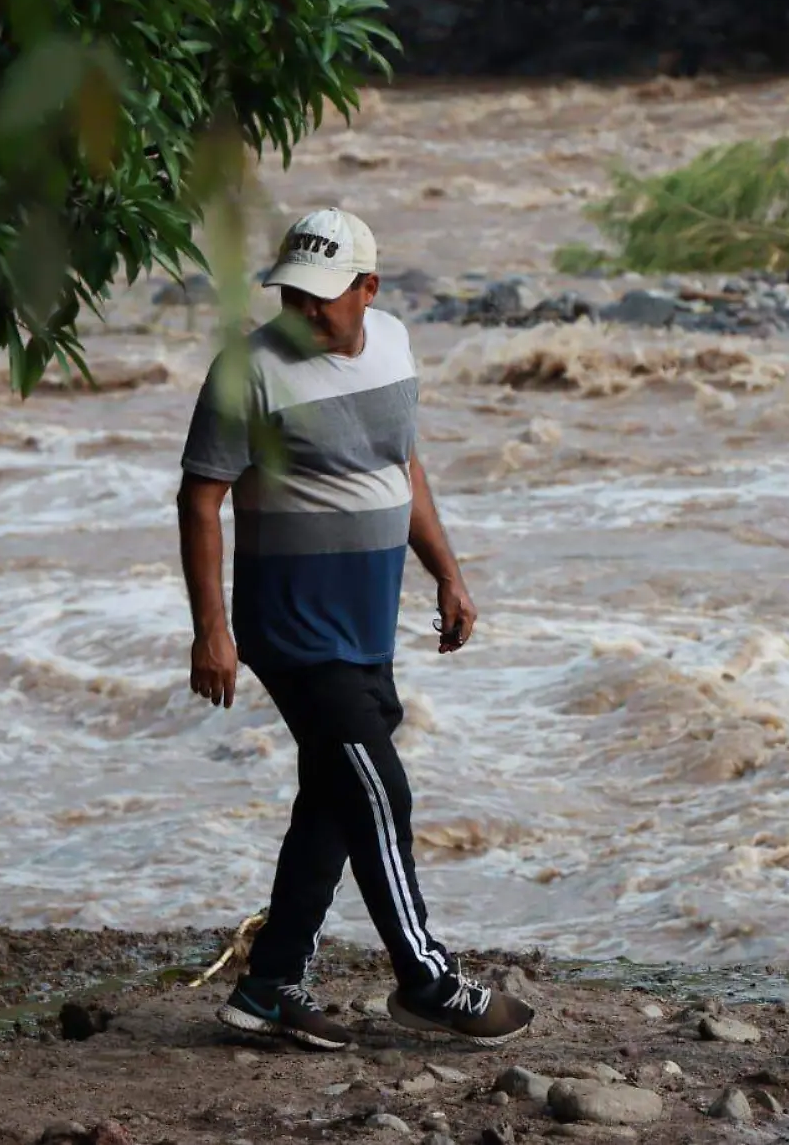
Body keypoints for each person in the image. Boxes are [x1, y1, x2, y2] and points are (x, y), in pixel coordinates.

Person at [176, 207, 535, 1051]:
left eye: (321, 300)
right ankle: (426, 981)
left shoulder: (397, 345)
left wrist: (447, 573)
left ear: (369, 289)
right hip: (291, 625)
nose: (302, 314)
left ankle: (268, 988)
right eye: (291, 297)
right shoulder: (249, 370)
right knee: (381, 793)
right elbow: (201, 497)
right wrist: (212, 632)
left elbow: (401, 465)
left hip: (366, 620)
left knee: (335, 799)